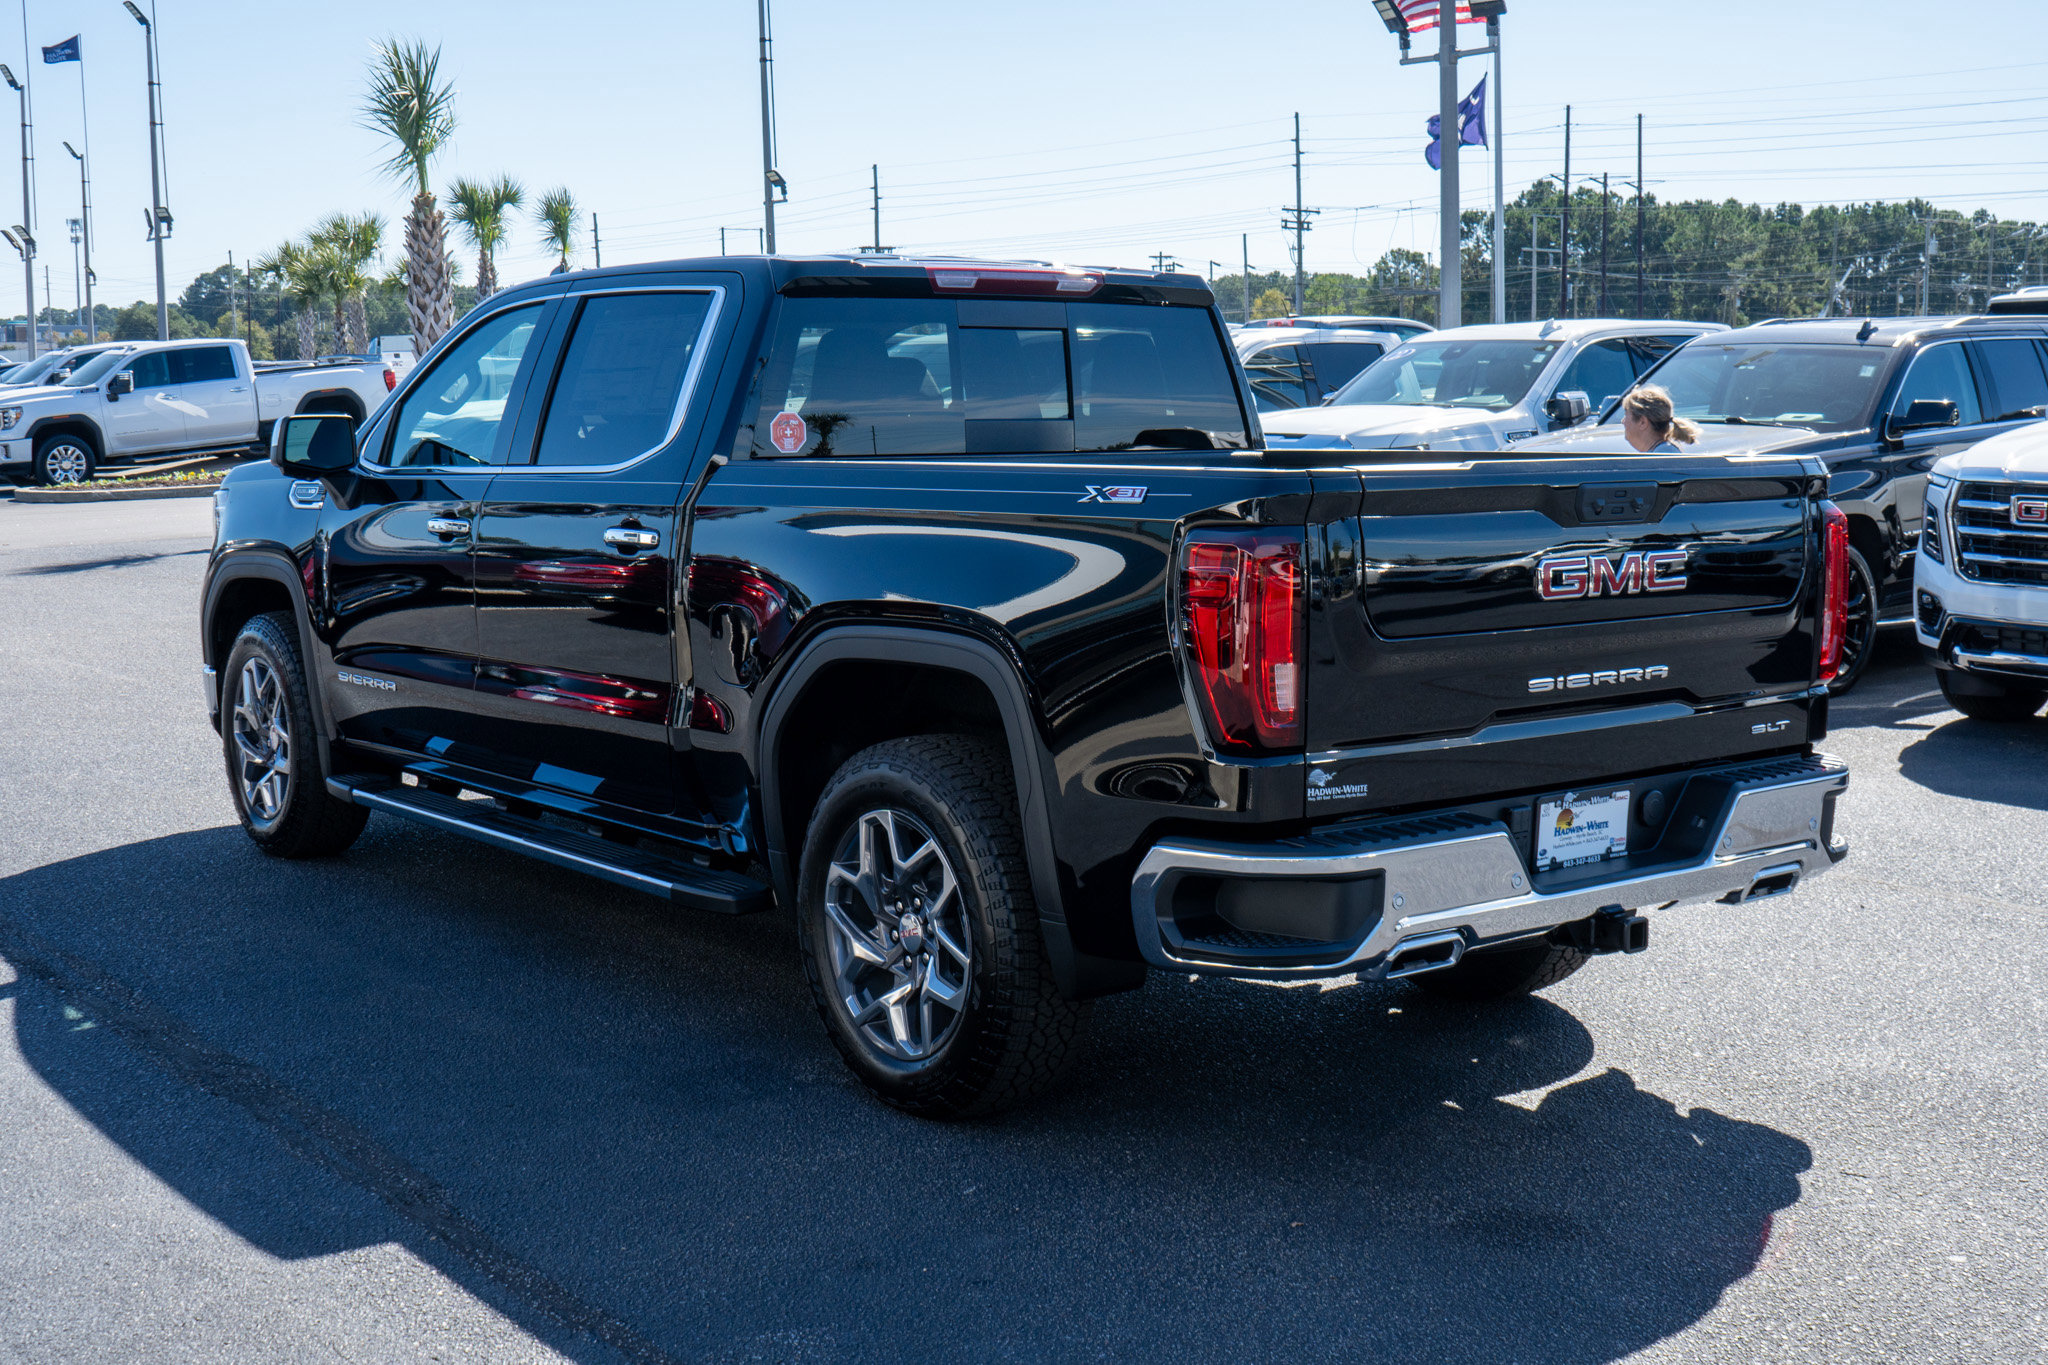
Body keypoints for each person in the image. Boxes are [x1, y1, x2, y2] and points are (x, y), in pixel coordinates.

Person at [1620, 384, 1701, 452]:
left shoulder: (1663, 455)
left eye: (1626, 415)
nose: (1623, 421)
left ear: (1642, 422)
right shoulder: (1662, 452)